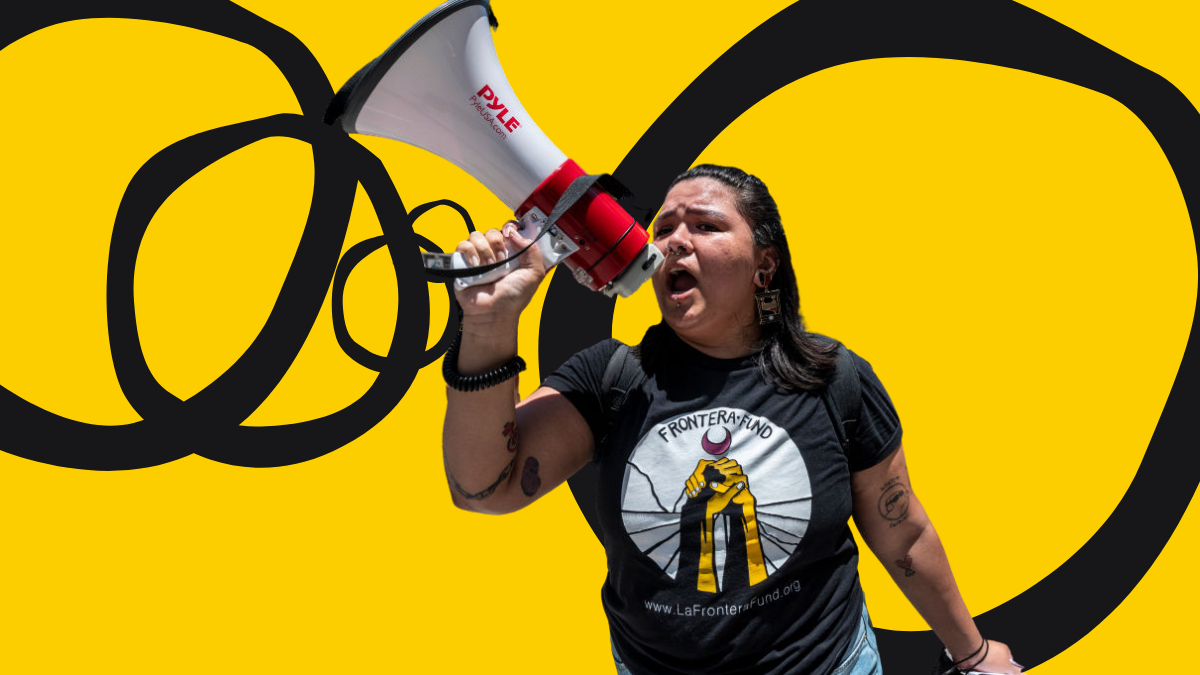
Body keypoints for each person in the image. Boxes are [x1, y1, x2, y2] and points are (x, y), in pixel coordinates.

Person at [441, 165, 1022, 675]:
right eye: (664, 228)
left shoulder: (833, 377)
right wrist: (489, 326)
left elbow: (903, 530)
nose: (674, 242)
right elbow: (484, 489)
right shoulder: (609, 378)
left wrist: (972, 656)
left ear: (763, 265)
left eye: (705, 226)